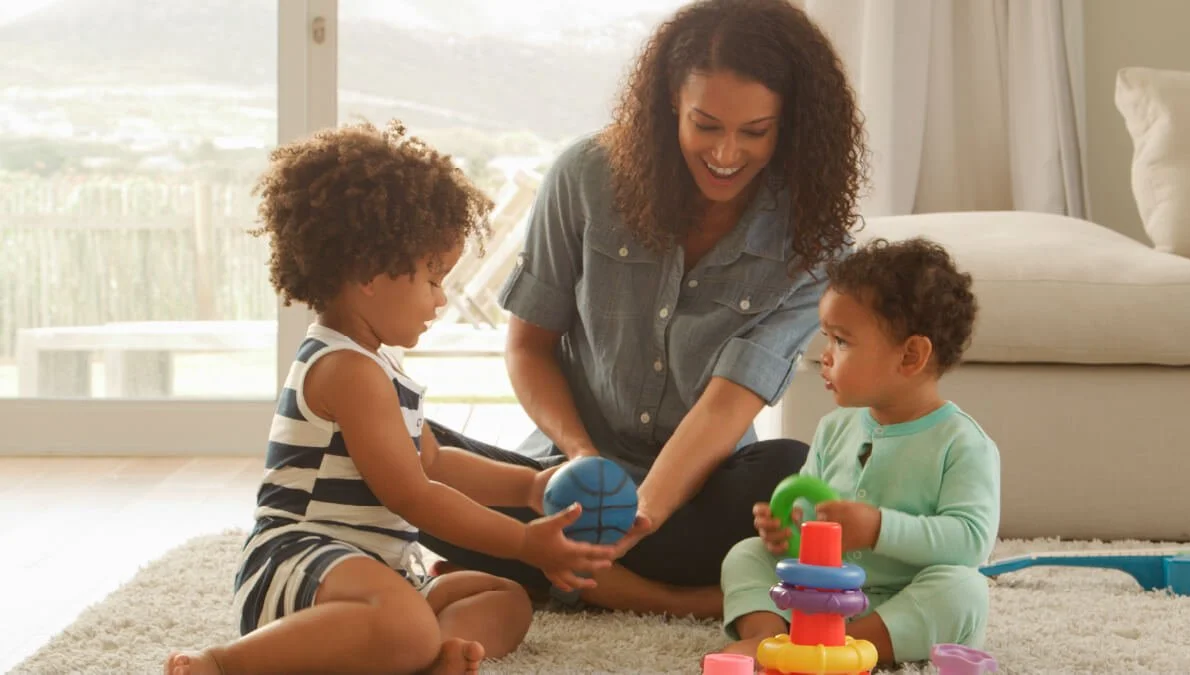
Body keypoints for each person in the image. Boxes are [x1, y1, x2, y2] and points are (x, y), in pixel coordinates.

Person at [419, 0, 868, 619]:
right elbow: (528, 347)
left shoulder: (814, 242)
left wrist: (643, 513)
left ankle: (554, 573)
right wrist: (580, 456)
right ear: (668, 109)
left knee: (788, 471)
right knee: (392, 447)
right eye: (705, 125)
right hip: (564, 487)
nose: (727, 152)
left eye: (754, 131)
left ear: (790, 126)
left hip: (695, 496)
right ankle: (655, 590)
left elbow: (723, 408)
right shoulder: (585, 177)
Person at [162, 121, 618, 675]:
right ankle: (220, 665)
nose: (441, 298)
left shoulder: (377, 365)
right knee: (407, 622)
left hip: (378, 574)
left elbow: (434, 460)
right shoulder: (345, 369)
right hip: (299, 565)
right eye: (432, 278)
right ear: (368, 274)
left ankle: (421, 656)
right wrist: (524, 542)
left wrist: (528, 485)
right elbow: (415, 495)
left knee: (503, 600)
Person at [718, 237, 1001, 668]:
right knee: (746, 555)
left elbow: (970, 542)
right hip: (822, 592)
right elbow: (813, 517)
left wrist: (878, 529)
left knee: (963, 590)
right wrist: (787, 532)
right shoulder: (835, 429)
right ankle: (768, 636)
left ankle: (849, 646)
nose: (824, 357)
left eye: (841, 342)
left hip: (902, 599)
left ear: (911, 356)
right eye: (826, 338)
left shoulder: (961, 443)